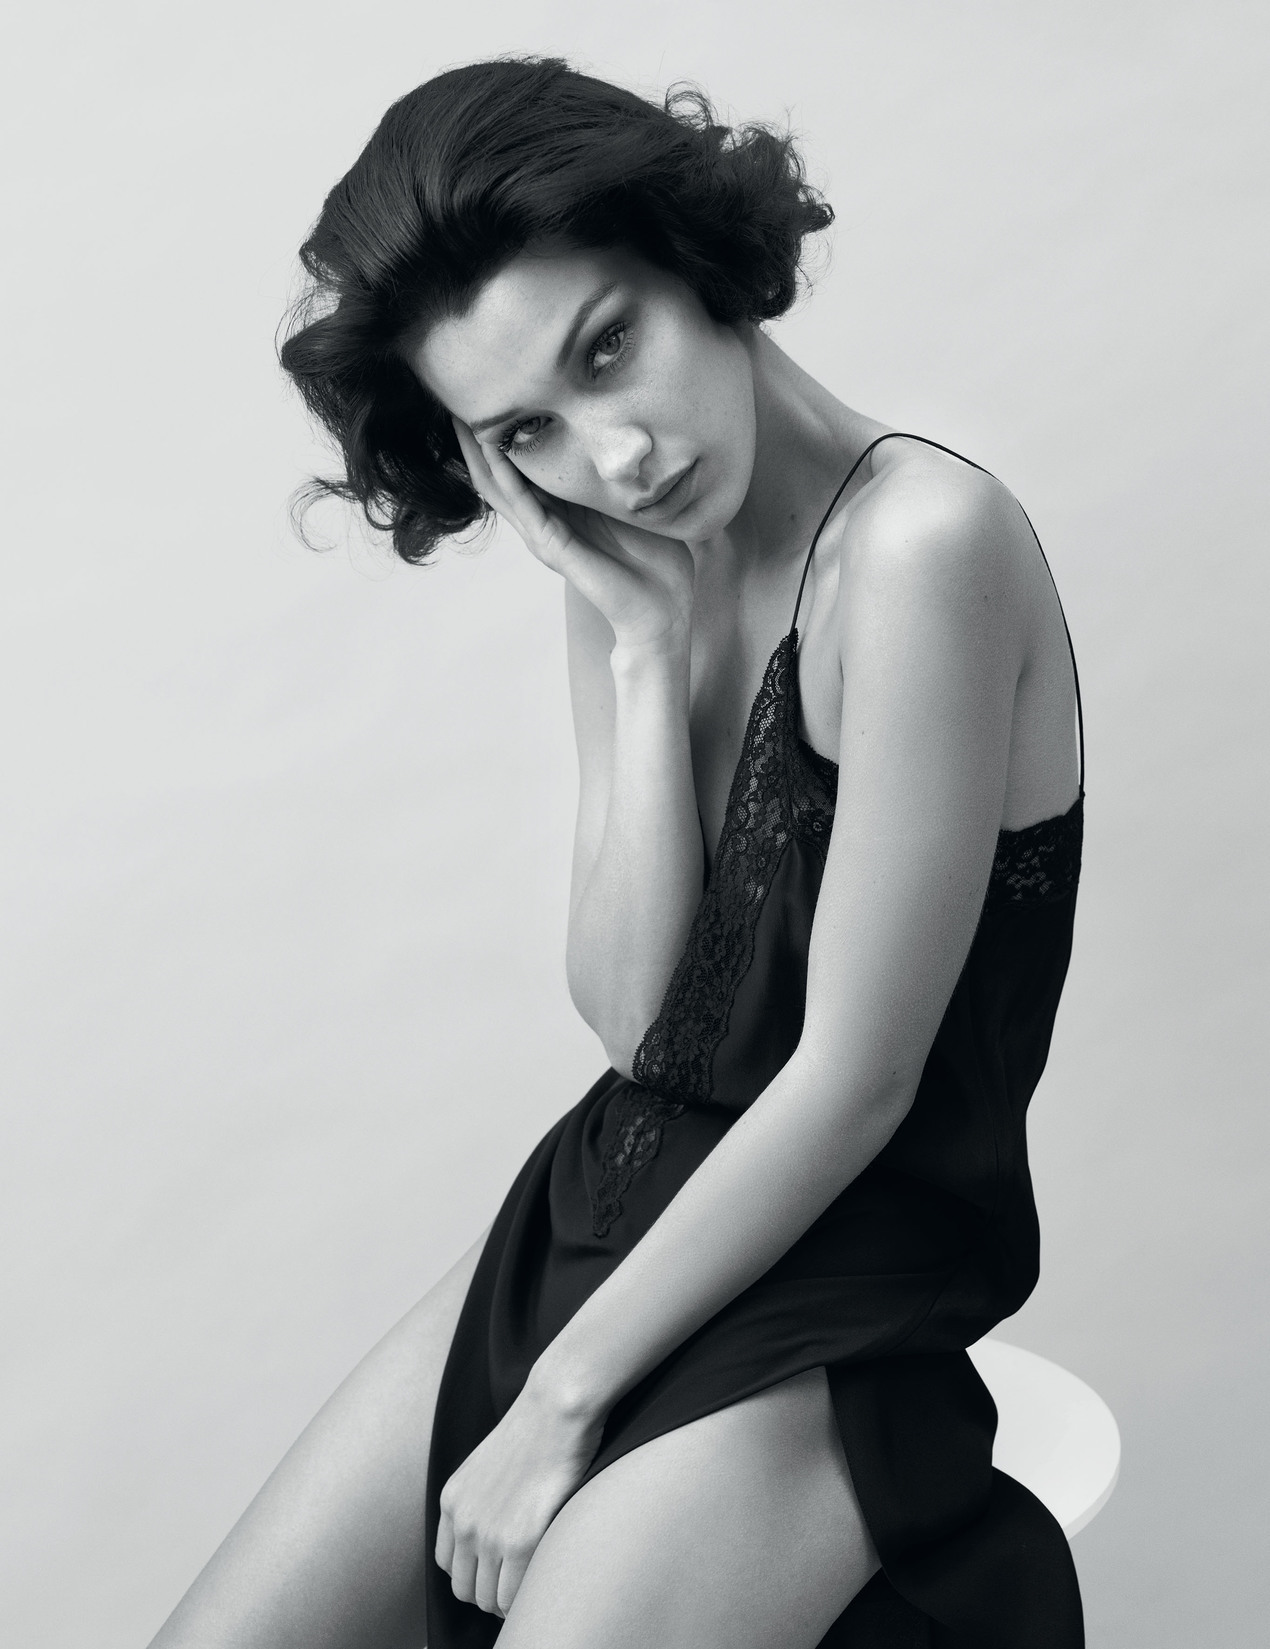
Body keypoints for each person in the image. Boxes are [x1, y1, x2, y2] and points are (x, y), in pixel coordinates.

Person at [149, 56, 1087, 1649]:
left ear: (690, 255)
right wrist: (643, 651)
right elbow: (641, 1030)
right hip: (607, 1210)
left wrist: (557, 1403)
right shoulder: (629, 559)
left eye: (607, 349)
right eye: (532, 429)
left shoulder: (924, 546)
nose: (620, 455)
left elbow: (854, 1083)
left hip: (836, 1293)